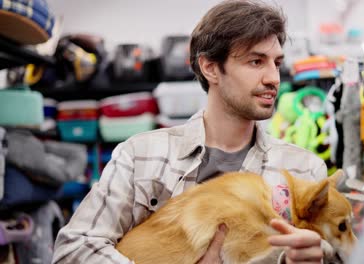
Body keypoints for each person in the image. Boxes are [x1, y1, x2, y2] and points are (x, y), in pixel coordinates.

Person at [52, 1, 328, 263]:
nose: (273, 78)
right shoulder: (140, 157)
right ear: (210, 68)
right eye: (256, 62)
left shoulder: (304, 171)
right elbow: (72, 250)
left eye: (276, 63)